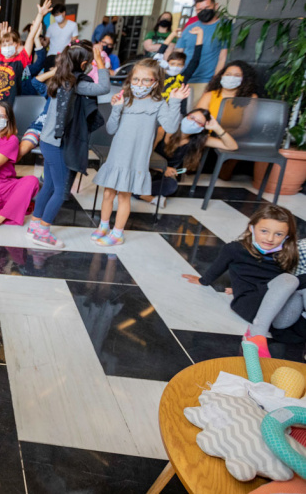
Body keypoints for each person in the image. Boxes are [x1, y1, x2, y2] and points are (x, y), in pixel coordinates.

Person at [183, 204, 305, 359]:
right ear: (251, 228)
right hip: (249, 305)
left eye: (278, 234)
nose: (270, 238)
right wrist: (202, 281)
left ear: (287, 236)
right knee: (291, 280)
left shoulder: (287, 253)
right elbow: (217, 269)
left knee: (300, 287)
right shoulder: (234, 249)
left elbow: (278, 288)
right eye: (264, 231)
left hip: (278, 315)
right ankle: (255, 335)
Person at [90, 59, 188, 246]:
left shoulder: (158, 104)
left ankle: (118, 233)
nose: (139, 84)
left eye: (145, 80)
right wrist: (116, 109)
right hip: (117, 156)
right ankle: (103, 226)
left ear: (155, 83)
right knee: (108, 193)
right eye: (135, 79)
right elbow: (111, 129)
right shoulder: (124, 100)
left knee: (124, 196)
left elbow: (171, 126)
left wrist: (175, 102)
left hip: (135, 159)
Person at [27, 44, 109, 249]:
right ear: (83, 64)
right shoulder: (77, 83)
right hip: (57, 144)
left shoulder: (59, 80)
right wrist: (100, 62)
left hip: (47, 141)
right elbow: (104, 87)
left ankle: (35, 224)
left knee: (49, 185)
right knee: (61, 190)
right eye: (89, 62)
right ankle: (43, 232)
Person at [137, 108, 238, 206]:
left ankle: (137, 192)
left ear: (202, 128)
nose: (193, 122)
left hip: (164, 175)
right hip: (145, 169)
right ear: (186, 117)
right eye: (192, 117)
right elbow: (145, 156)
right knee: (136, 179)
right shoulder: (163, 130)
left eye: (198, 122)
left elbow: (232, 146)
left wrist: (217, 127)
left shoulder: (199, 140)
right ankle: (147, 196)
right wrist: (163, 168)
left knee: (171, 186)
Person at [0, 0, 50, 106]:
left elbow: (30, 37)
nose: (6, 47)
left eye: (10, 44)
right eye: (4, 45)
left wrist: (40, 14)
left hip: (12, 105)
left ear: (17, 45)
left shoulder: (21, 59)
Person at [175, 0, 229, 102]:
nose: (203, 11)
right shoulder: (189, 28)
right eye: (199, 9)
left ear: (215, 6)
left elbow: (223, 57)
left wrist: (214, 82)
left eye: (207, 7)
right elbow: (178, 53)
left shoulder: (224, 27)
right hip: (184, 80)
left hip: (205, 82)